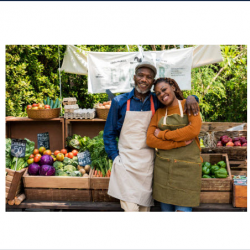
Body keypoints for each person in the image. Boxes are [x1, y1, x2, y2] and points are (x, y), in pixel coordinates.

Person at [103, 61, 199, 212]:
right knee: (131, 210)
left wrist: (193, 97)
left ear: (152, 82)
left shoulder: (157, 100)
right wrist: (115, 158)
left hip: (147, 164)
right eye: (141, 75)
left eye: (148, 77)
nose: (144, 79)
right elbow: (108, 134)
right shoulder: (119, 102)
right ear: (134, 77)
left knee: (144, 210)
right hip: (126, 164)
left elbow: (175, 100)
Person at [146, 77, 202, 212]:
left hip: (186, 170)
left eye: (164, 90)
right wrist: (179, 142)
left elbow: (193, 130)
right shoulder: (159, 113)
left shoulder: (189, 105)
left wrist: (162, 135)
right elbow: (150, 140)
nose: (162, 95)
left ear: (174, 87)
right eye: (158, 93)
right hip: (163, 170)